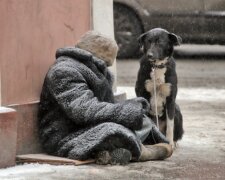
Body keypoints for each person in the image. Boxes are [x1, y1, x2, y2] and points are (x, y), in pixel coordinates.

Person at [38, 31, 173, 165]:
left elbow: (104, 105)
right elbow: (83, 110)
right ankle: (139, 151)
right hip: (64, 136)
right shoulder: (64, 71)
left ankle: (112, 152)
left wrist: (131, 107)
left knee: (142, 119)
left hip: (88, 125)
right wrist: (124, 112)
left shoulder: (94, 70)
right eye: (106, 64)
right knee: (112, 129)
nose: (107, 68)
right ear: (95, 58)